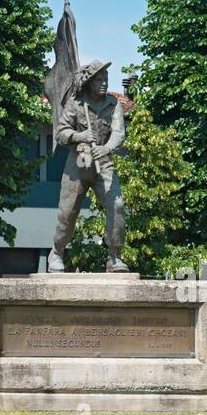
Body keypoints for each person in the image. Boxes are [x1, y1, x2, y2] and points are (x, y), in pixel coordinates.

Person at [49, 59, 128, 273]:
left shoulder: (113, 104)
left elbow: (119, 133)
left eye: (106, 79)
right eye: (99, 79)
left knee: (117, 206)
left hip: (103, 162)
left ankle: (114, 257)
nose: (104, 83)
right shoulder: (76, 104)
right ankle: (57, 252)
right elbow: (61, 132)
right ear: (90, 82)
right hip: (77, 165)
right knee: (67, 213)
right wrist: (79, 135)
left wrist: (106, 148)